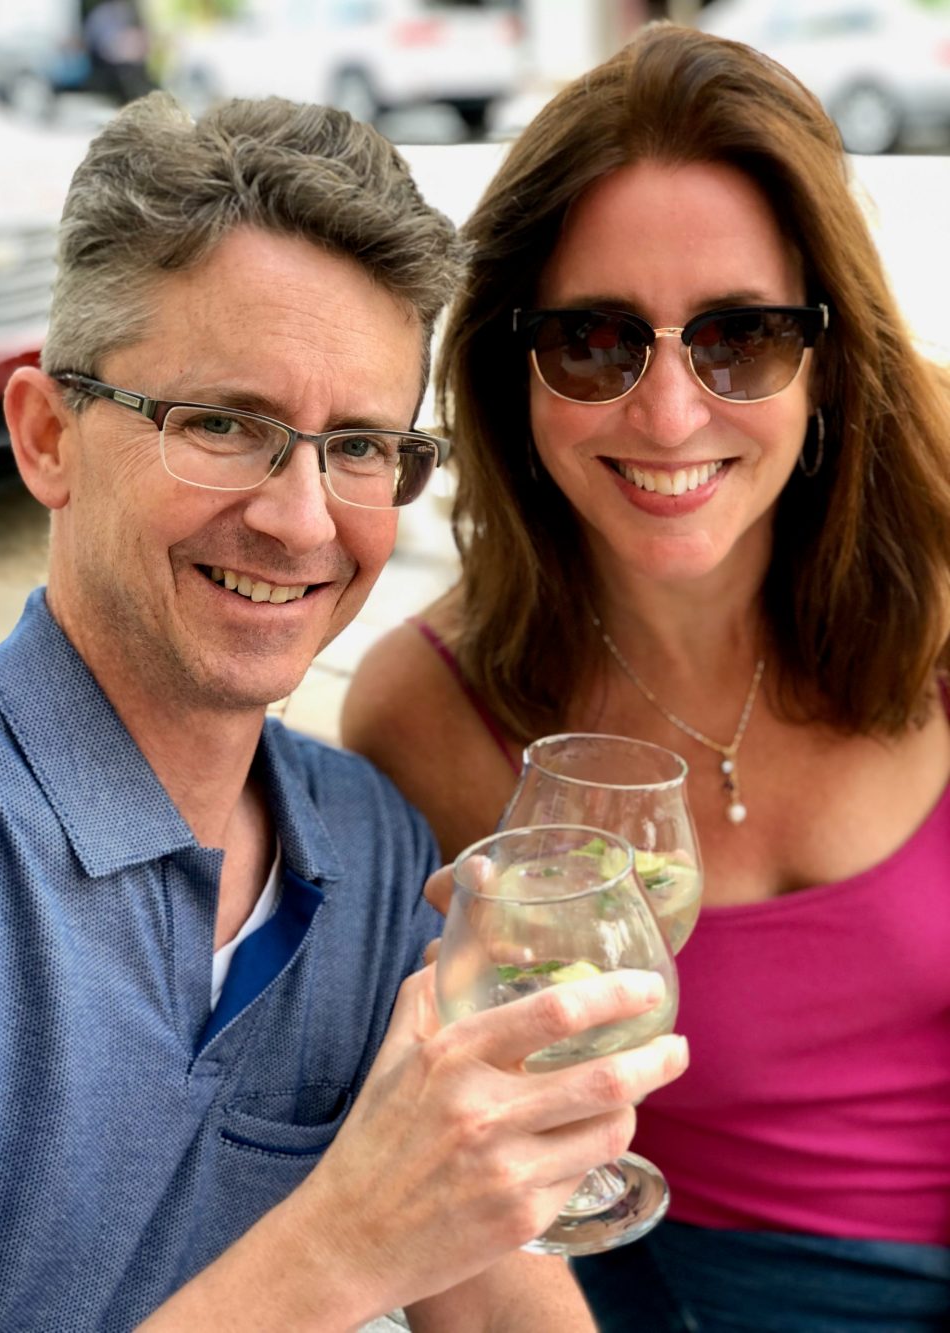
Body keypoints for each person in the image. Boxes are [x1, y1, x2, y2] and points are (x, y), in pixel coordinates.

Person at [0, 92, 690, 1331]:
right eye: (222, 424)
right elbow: (383, 1231)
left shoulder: (371, 844)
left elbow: (488, 1285)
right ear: (47, 437)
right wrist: (353, 1236)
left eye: (357, 445)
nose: (300, 521)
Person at [342, 21, 950, 1333]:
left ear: (828, 360)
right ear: (512, 370)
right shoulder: (427, 711)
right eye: (593, 340)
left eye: (742, 336)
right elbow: (456, 1206)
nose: (670, 414)